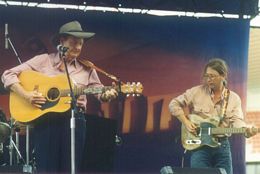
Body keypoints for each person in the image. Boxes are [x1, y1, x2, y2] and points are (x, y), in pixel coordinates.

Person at [1, 20, 118, 173]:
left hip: (75, 120)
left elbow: (98, 91)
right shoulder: (44, 60)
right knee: (46, 168)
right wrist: (27, 95)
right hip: (47, 120)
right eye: (73, 42)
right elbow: (8, 74)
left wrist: (105, 95)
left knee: (69, 168)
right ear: (62, 41)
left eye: (80, 44)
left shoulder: (87, 68)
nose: (77, 47)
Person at [168, 58, 257, 174]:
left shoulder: (234, 98)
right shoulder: (196, 92)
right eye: (206, 76)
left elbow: (237, 121)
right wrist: (186, 122)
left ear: (223, 75)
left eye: (212, 76)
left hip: (223, 147)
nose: (208, 80)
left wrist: (246, 130)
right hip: (199, 147)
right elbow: (173, 104)